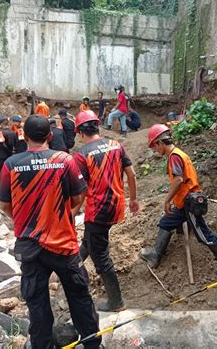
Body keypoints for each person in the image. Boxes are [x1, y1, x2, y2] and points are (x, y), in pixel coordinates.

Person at [0, 115, 101, 349]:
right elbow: (78, 196)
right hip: (63, 243)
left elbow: (3, 204)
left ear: (25, 137)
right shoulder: (65, 160)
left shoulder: (11, 164)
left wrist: (22, 218)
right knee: (80, 297)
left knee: (37, 303)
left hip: (30, 245)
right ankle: (92, 343)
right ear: (50, 136)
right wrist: (64, 215)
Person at [140, 124, 217, 279]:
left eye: (155, 147)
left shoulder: (174, 156)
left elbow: (178, 180)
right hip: (184, 202)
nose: (155, 150)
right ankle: (155, 255)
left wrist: (167, 200)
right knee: (166, 222)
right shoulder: (178, 154)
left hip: (190, 203)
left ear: (160, 143)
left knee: (204, 235)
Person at [73, 110, 139, 311]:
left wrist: (73, 211)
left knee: (100, 256)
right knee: (91, 240)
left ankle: (116, 301)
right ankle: (73, 265)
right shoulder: (117, 146)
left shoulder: (82, 155)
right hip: (116, 206)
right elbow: (132, 174)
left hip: (98, 211)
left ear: (80, 133)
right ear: (96, 127)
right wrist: (133, 200)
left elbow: (81, 190)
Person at [0, 118, 16, 183]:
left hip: (2, 155)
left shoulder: (1, 133)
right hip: (11, 155)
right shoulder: (13, 133)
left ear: (1, 124)